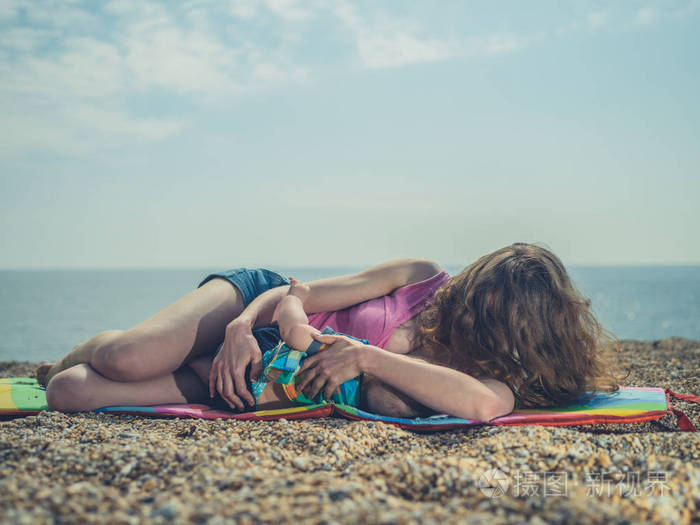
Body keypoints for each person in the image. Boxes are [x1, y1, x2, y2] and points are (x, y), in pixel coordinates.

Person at [38, 243, 627, 421]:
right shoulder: (423, 278)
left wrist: (366, 359)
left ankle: (64, 371)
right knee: (125, 355)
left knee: (70, 395)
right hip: (255, 308)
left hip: (262, 375)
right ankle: (99, 342)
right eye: (476, 294)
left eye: (490, 313)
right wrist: (243, 324)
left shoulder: (487, 371)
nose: (466, 309)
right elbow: (301, 292)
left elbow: (481, 406)